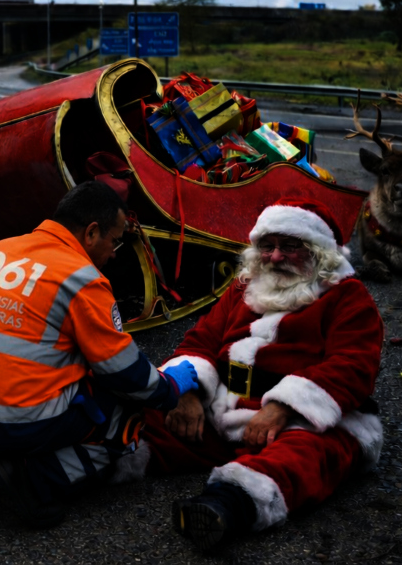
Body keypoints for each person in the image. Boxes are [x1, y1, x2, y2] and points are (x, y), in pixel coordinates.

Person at [111, 198, 384, 552]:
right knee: (136, 418)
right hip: (224, 406)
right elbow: (200, 341)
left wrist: (283, 407)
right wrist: (188, 393)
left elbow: (353, 366)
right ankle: (63, 470)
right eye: (267, 246)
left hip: (298, 420)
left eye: (290, 246)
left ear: (320, 252)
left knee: (308, 455)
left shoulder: (348, 297)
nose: (274, 257)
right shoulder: (244, 287)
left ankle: (226, 505)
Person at [0, 182, 200, 528]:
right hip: (9, 423)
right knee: (124, 412)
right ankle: (36, 478)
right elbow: (123, 372)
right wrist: (169, 388)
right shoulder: (81, 278)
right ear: (91, 232)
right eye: (114, 241)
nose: (114, 253)